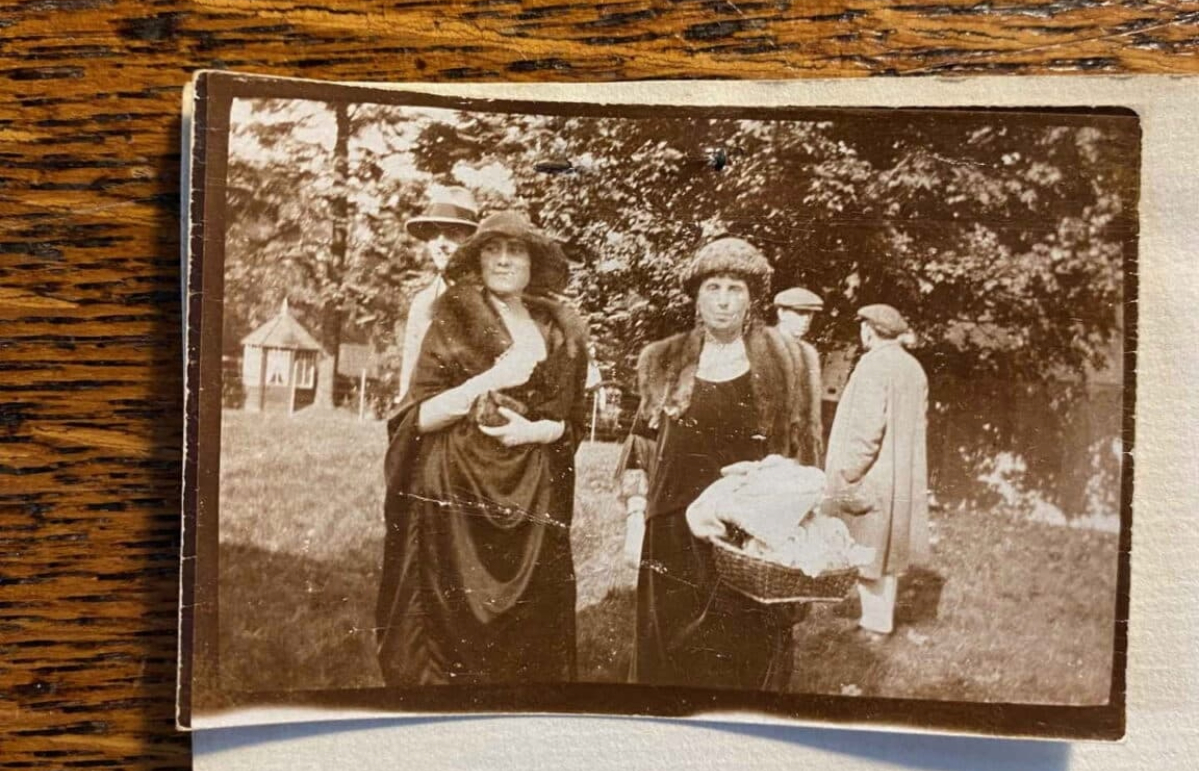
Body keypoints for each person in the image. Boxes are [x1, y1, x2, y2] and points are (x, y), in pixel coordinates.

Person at [376, 211, 590, 686]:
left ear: (534, 263)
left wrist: (534, 433)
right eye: (493, 249)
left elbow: (570, 423)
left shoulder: (560, 330)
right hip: (458, 502)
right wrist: (492, 378)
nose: (504, 260)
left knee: (530, 636)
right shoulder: (452, 316)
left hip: (534, 503)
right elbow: (418, 417)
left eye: (516, 251)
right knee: (455, 633)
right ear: (478, 257)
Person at [618, 236, 822, 691]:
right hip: (669, 537)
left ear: (753, 297)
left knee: (742, 665)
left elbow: (804, 457)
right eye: (713, 287)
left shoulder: (788, 360)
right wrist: (635, 520)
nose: (724, 301)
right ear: (696, 294)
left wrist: (800, 535)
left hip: (747, 542)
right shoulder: (664, 360)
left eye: (736, 288)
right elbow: (640, 446)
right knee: (667, 666)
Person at [824, 304, 930, 639]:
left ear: (869, 330)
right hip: (900, 473)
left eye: (862, 327)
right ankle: (880, 620)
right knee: (888, 551)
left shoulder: (873, 366)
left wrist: (849, 471)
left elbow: (867, 429)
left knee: (868, 547)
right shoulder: (913, 368)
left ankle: (875, 624)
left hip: (874, 473)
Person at [397, 186, 480, 402]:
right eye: (434, 234)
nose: (440, 244)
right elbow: (409, 374)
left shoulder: (493, 296)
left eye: (452, 234)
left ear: (472, 242)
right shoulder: (423, 302)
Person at [773, 286, 826, 462]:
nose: (806, 320)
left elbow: (814, 408)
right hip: (771, 446)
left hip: (803, 447)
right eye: (800, 313)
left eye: (810, 314)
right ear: (781, 313)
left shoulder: (810, 353)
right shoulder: (764, 347)